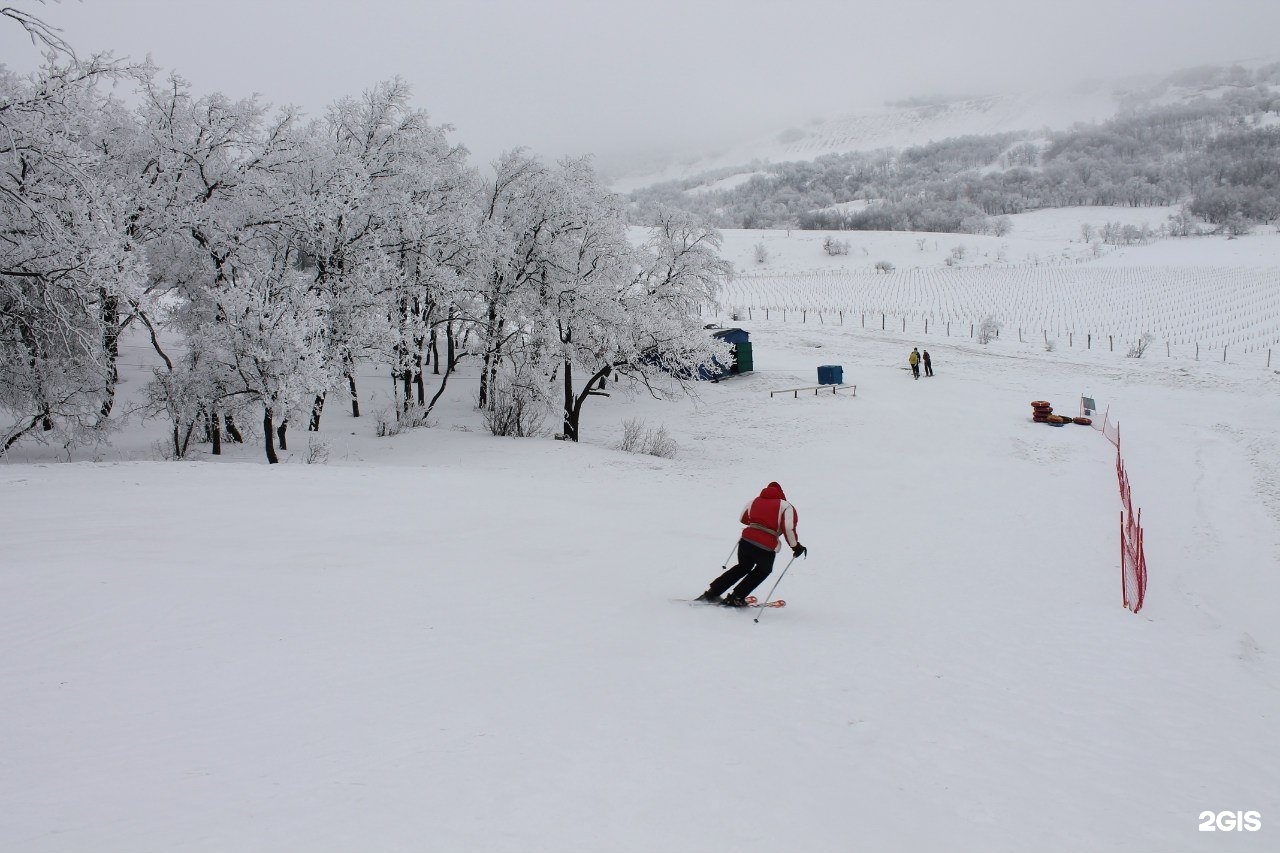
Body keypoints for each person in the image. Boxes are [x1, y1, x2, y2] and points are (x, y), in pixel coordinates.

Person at [696, 482, 806, 607]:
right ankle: (736, 597)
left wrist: (757, 522)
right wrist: (795, 546)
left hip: (746, 541)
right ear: (781, 493)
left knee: (742, 567)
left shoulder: (754, 501)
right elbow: (788, 527)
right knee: (763, 570)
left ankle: (712, 593)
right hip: (766, 545)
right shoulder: (786, 506)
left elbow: (743, 518)